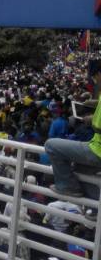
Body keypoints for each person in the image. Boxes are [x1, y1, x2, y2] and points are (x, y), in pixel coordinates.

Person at [45, 59, 101, 198]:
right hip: (95, 146)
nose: (94, 81)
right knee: (80, 169)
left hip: (97, 150)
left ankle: (67, 186)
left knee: (51, 145)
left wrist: (90, 120)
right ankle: (95, 209)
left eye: (94, 77)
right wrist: (90, 103)